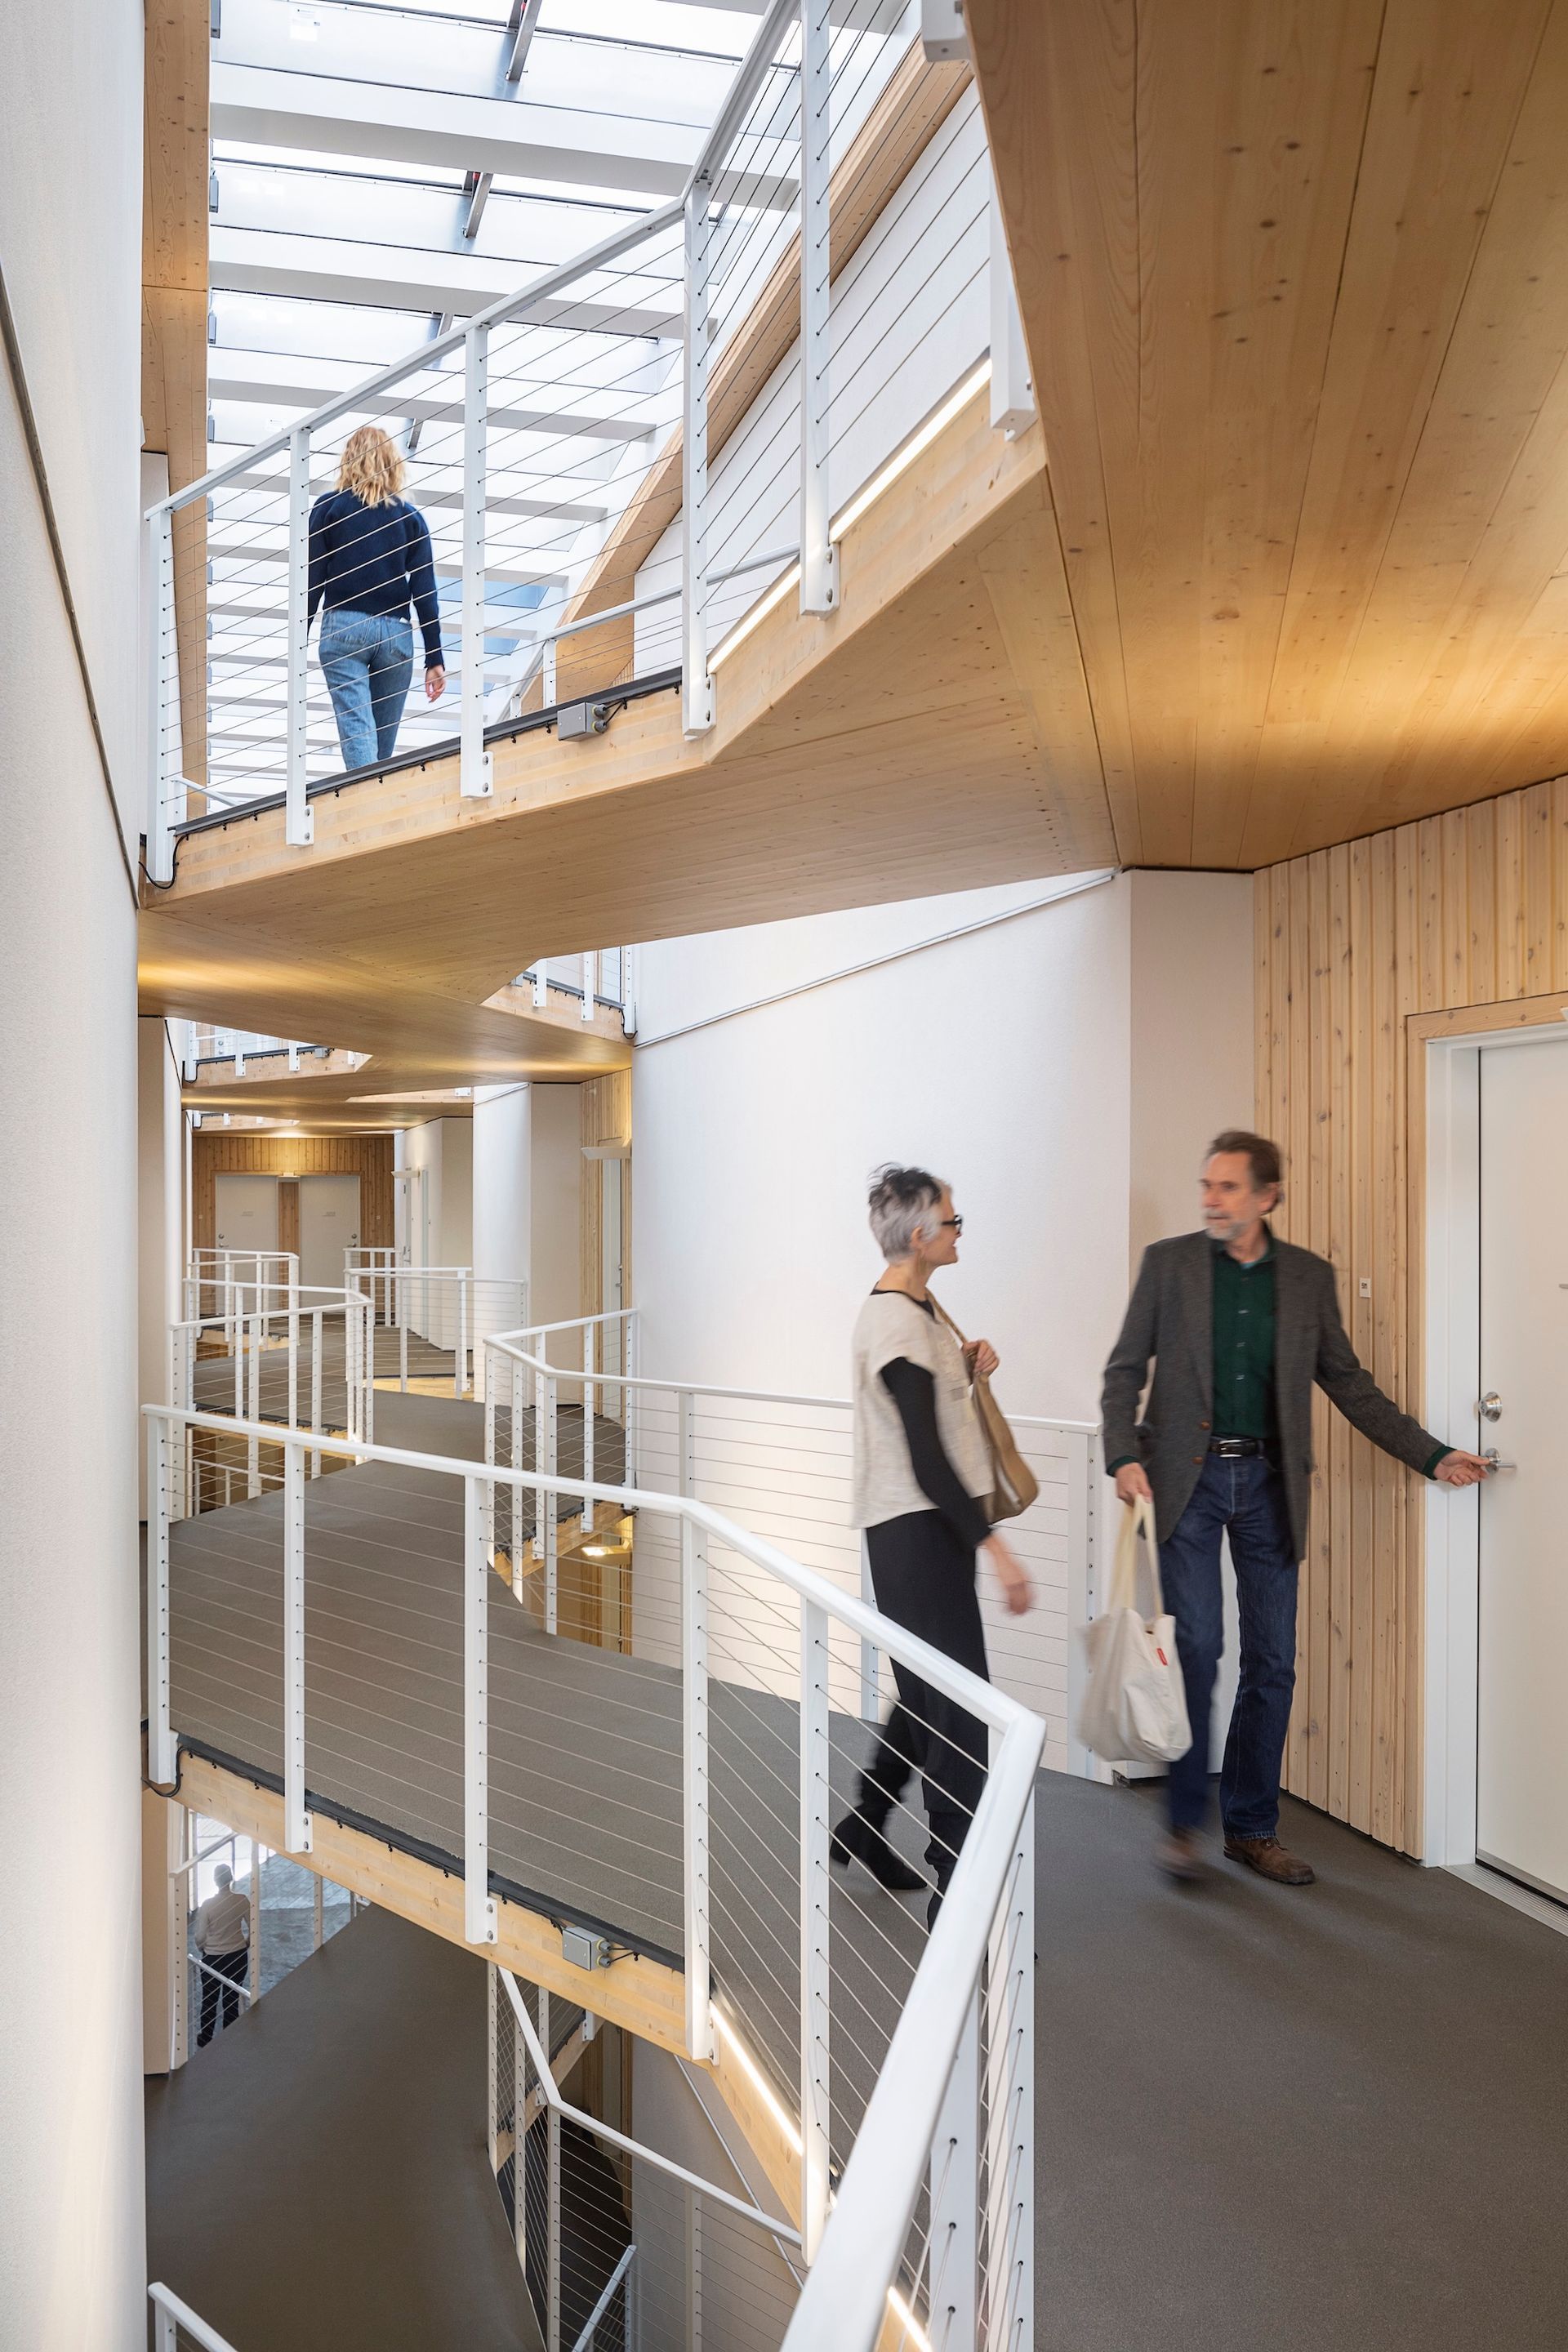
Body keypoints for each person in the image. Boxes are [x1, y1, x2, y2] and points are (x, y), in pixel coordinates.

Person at [1101, 1129, 1489, 1886]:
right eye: (1207, 1185)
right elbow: (1122, 1373)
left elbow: (1350, 1384)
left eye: (1229, 1188)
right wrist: (1122, 1456)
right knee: (1199, 1650)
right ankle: (1182, 1822)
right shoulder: (1169, 1265)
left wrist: (1432, 1455)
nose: (1211, 1200)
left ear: (1268, 1196)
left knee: (1273, 1660)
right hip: (1187, 1482)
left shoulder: (1308, 1279)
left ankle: (1250, 1828)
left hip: (1271, 1487)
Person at [833, 1165, 1031, 1928]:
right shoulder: (891, 1321)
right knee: (961, 1710)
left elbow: (936, 1417)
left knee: (927, 1695)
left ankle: (865, 1822)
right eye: (952, 1222)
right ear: (920, 1235)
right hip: (916, 1530)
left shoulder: (922, 1309)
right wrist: (998, 1550)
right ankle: (959, 1891)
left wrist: (969, 1360)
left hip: (927, 1530)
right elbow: (923, 1452)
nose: (958, 1231)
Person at [307, 424, 446, 773]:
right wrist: (435, 657)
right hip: (396, 636)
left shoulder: (329, 509)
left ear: (348, 461)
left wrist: (300, 632)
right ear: (392, 463)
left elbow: (313, 578)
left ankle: (363, 804)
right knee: (379, 745)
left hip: (344, 629)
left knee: (358, 729)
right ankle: (374, 804)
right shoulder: (410, 518)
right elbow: (425, 589)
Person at [192, 1860, 251, 2045]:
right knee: (231, 1998)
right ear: (231, 1878)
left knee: (209, 1999)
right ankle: (229, 2037)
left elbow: (200, 1935)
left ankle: (206, 2037)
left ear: (215, 1881)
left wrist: (203, 1947)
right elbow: (254, 1926)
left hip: (212, 1958)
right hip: (238, 1955)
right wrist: (246, 1943)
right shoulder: (242, 1900)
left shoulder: (208, 1905)